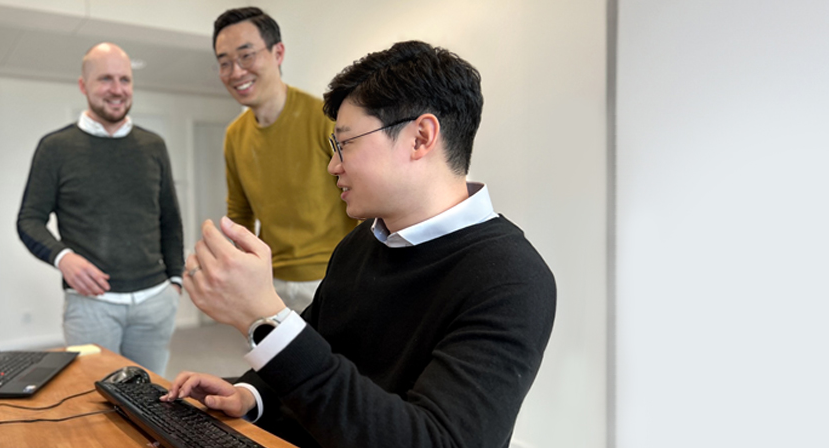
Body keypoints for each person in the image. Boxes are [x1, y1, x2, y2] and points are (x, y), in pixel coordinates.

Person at [165, 41, 556, 447]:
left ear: (420, 137)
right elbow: (318, 345)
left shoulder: (512, 279)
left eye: (346, 143)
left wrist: (265, 318)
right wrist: (250, 395)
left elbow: (433, 439)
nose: (333, 165)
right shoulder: (360, 242)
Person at [16, 43, 183, 374]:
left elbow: (170, 220)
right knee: (93, 403)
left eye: (125, 79)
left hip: (154, 302)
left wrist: (175, 281)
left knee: (151, 401)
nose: (117, 89)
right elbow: (29, 220)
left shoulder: (154, 145)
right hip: (91, 307)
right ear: (83, 86)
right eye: (106, 79)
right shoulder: (55, 147)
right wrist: (64, 258)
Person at [212, 7, 358, 313]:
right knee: (275, 361)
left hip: (332, 275)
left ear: (278, 53)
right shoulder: (234, 135)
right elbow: (240, 212)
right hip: (270, 279)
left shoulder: (324, 118)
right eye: (224, 63)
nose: (236, 71)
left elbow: (366, 198)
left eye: (246, 56)